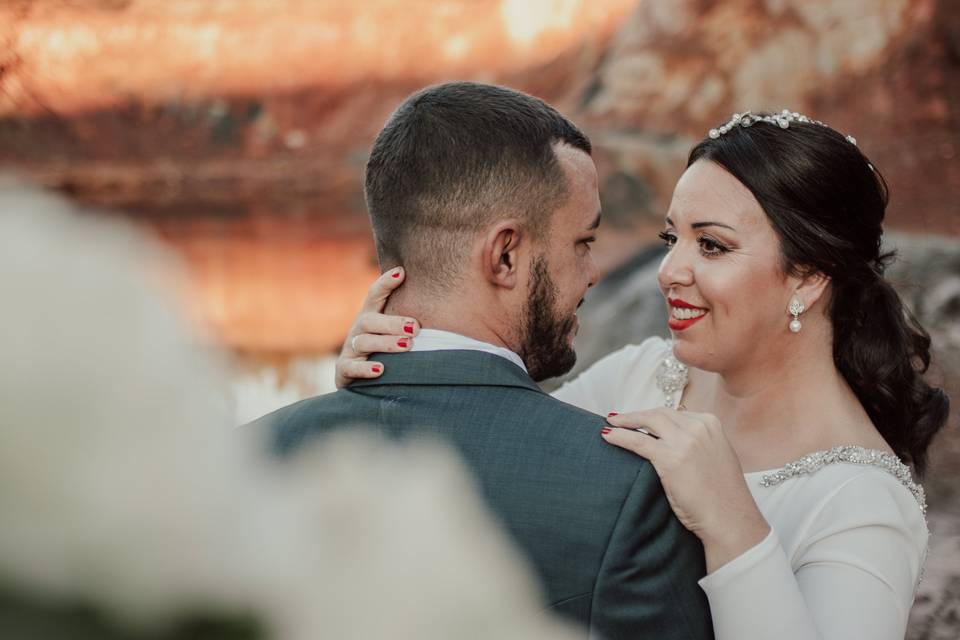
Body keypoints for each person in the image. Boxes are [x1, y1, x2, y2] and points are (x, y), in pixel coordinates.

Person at [338, 110, 950, 639]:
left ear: (809, 276)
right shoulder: (641, 376)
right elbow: (496, 458)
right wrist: (387, 382)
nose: (669, 270)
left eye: (711, 246)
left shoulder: (862, 502)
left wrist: (734, 524)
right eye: (670, 237)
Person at [248, 82, 714, 639]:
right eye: (582, 243)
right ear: (505, 255)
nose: (593, 273)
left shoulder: (242, 463)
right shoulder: (626, 493)